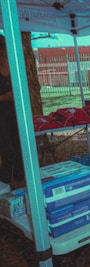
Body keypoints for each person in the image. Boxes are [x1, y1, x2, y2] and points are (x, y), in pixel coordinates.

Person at [0, 35, 26, 190]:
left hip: (14, 115)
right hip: (1, 118)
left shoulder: (12, 65)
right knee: (8, 153)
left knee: (20, 148)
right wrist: (4, 97)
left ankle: (20, 180)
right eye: (4, 49)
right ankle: (3, 185)